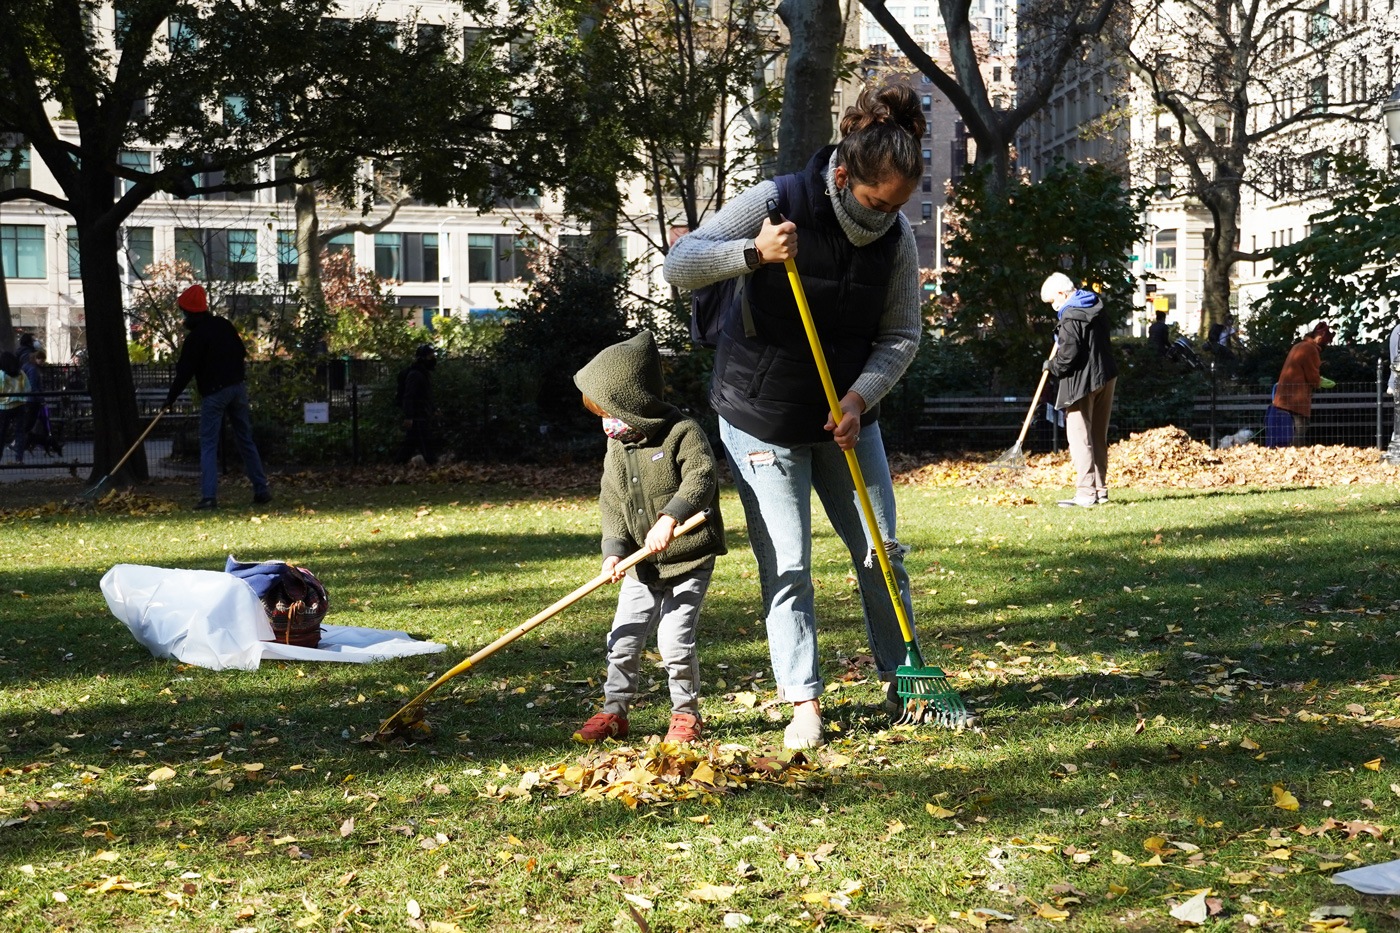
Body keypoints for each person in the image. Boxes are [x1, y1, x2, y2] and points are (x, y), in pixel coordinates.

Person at [663, 83, 925, 749]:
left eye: (899, 205)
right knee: (790, 563)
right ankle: (803, 700)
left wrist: (860, 398)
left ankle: (907, 675)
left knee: (882, 549)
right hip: (760, 413)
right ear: (844, 174)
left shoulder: (895, 237)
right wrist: (753, 253)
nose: (885, 216)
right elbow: (680, 263)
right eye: (875, 202)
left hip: (843, 416)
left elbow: (901, 336)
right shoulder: (777, 200)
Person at [570, 330, 726, 745]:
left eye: (610, 412)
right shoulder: (617, 446)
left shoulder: (682, 432)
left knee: (673, 642)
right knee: (622, 638)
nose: (605, 423)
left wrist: (670, 518)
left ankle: (685, 715)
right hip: (641, 565)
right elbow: (611, 500)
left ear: (634, 403)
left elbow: (701, 477)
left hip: (687, 556)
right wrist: (614, 550)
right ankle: (614, 712)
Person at [161, 284, 271, 510]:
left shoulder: (196, 338)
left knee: (209, 444)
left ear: (189, 312)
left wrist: (170, 399)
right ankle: (261, 489)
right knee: (245, 440)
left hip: (215, 393)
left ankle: (209, 496)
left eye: (183, 312)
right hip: (237, 387)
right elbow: (241, 352)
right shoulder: (223, 325)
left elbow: (184, 373)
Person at [1041, 272, 1118, 508]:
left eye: (1053, 301)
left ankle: (1085, 493)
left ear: (1063, 294)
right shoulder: (1095, 304)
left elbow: (1067, 357)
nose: (1054, 307)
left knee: (1078, 437)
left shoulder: (1071, 316)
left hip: (1081, 383)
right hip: (1106, 376)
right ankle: (1100, 490)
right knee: (1097, 436)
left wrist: (1050, 365)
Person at [1271, 322, 1332, 447]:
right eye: (1327, 340)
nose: (1328, 344)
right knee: (1299, 429)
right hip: (1297, 400)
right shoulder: (1310, 350)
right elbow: (1312, 376)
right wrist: (1320, 383)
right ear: (1321, 337)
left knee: (1286, 431)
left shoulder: (1298, 346)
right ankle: (1296, 455)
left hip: (1283, 397)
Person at [398, 344, 438, 467]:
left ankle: (398, 463)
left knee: (410, 443)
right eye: (431, 356)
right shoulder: (416, 374)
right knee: (425, 442)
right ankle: (432, 463)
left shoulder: (422, 373)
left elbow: (425, 395)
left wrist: (433, 408)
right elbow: (409, 396)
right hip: (418, 415)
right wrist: (409, 416)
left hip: (420, 414)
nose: (433, 359)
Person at [0, 351, 30, 463]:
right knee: (19, 432)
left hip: (3, 407)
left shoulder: (1, 375)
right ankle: (19, 458)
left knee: (1, 434)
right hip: (19, 405)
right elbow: (28, 388)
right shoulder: (21, 374)